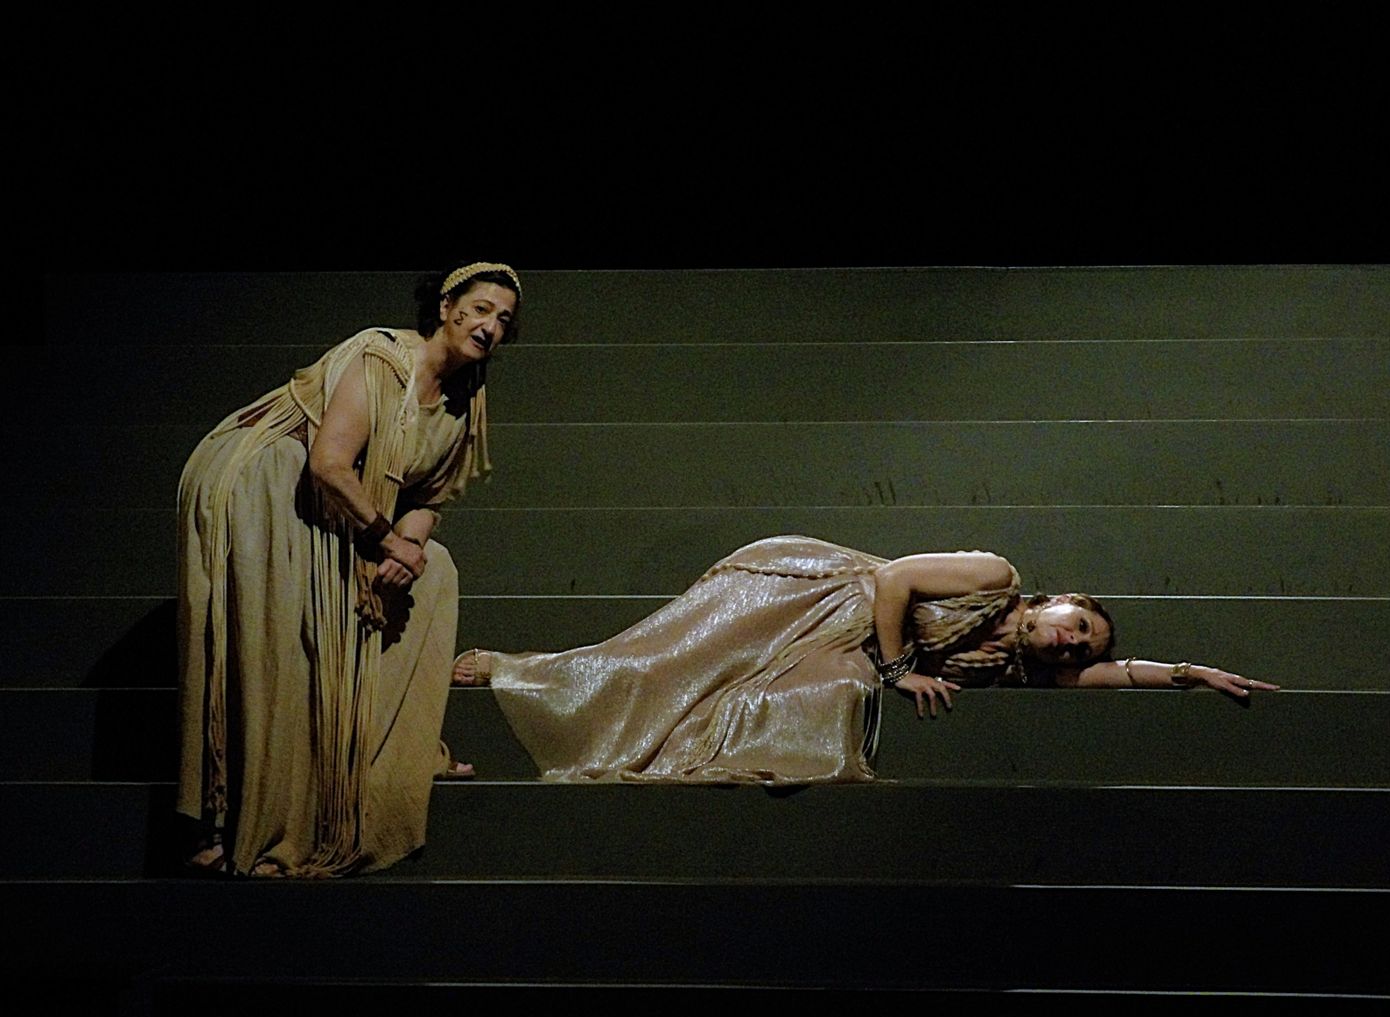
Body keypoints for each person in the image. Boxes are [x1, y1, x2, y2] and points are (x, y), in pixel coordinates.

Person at [178, 261, 522, 877]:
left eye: (503, 319)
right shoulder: (384, 358)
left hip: (352, 513)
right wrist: (389, 541)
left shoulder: (463, 405)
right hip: (271, 480)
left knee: (437, 573)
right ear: (447, 307)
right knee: (282, 640)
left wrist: (409, 552)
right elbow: (328, 464)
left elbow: (431, 500)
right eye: (479, 309)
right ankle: (234, 819)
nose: (490, 326)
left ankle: (380, 753)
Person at [452, 535, 1276, 784]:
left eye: (1079, 644)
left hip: (852, 652)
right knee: (660, 665)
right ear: (1062, 599)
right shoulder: (999, 580)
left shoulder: (1033, 666)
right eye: (1076, 624)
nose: (1070, 641)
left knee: (801, 708)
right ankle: (515, 669)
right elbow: (894, 578)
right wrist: (893, 669)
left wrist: (1187, 673)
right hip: (816, 599)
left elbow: (1109, 678)